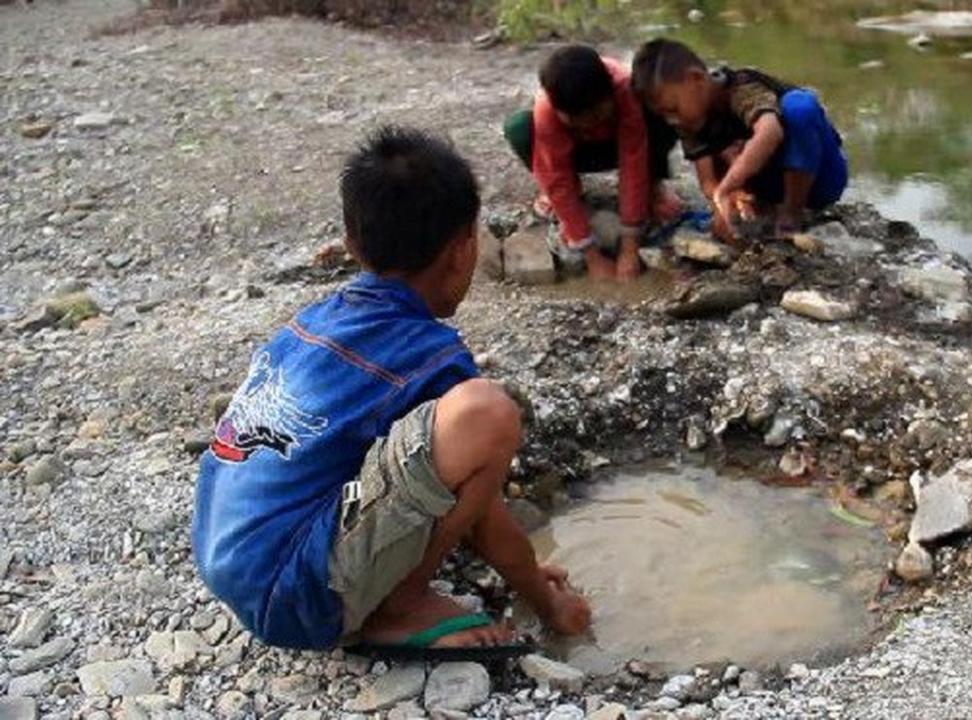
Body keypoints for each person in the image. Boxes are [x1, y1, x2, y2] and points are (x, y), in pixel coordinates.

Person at [192, 125, 591, 651]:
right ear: (461, 250)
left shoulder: (314, 322)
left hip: (227, 559)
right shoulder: (428, 357)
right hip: (294, 598)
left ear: (353, 243)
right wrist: (545, 599)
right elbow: (486, 515)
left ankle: (379, 588)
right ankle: (398, 605)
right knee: (487, 414)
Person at [630, 38, 848, 242]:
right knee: (726, 160)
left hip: (820, 177)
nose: (672, 119)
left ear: (696, 79)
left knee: (800, 107)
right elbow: (707, 180)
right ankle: (768, 209)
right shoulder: (689, 120)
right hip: (771, 187)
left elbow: (770, 132)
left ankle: (792, 213)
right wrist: (722, 206)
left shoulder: (741, 88)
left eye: (673, 109)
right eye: (665, 115)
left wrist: (728, 185)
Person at [504, 44, 682, 280]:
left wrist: (630, 247)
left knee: (659, 109)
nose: (588, 125)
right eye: (577, 121)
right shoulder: (547, 110)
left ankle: (653, 188)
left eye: (596, 116)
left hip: (619, 145)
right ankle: (561, 198)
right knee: (519, 128)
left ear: (609, 95)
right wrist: (591, 255)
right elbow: (556, 175)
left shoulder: (625, 88)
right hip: (577, 154)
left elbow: (633, 162)